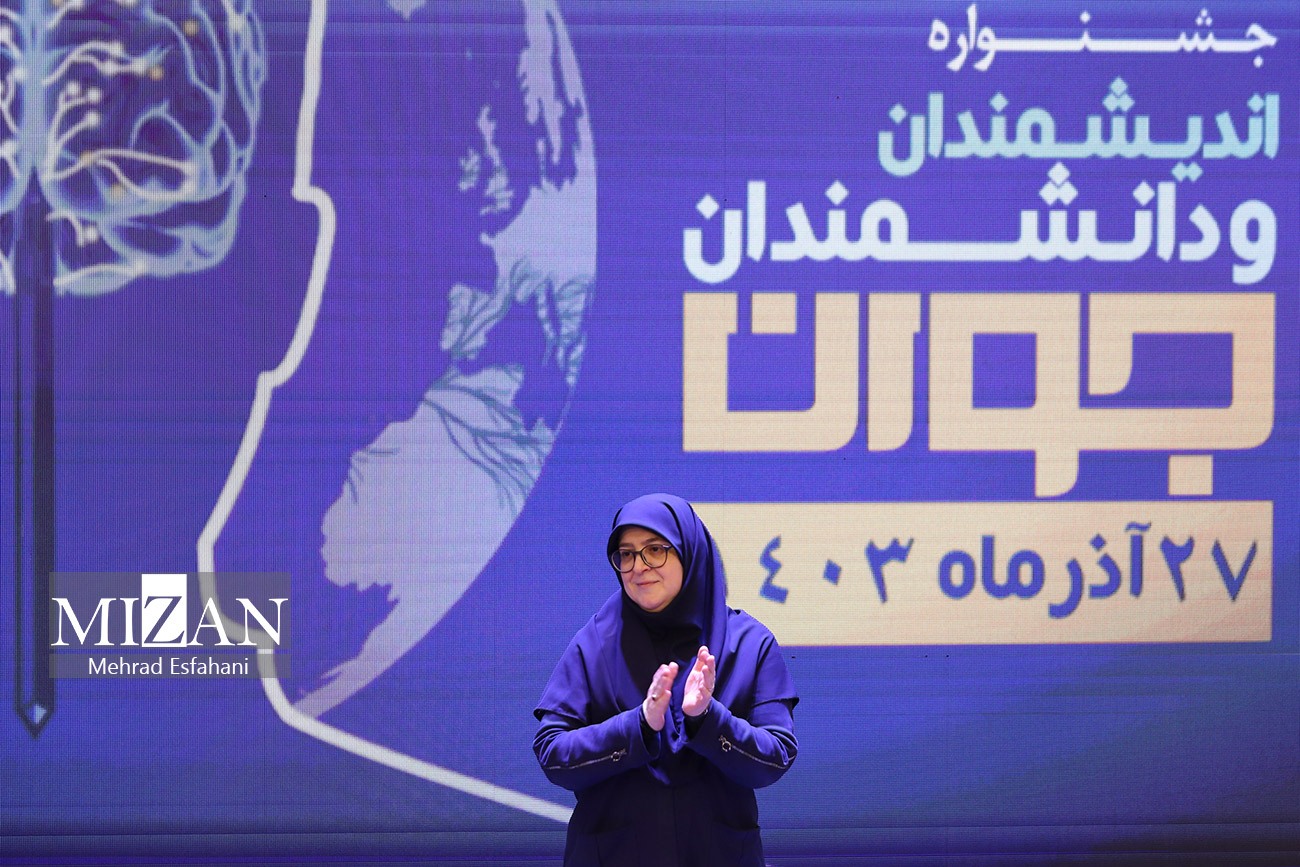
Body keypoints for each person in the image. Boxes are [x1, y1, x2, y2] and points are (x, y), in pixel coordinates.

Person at [534, 493, 798, 866]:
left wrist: (707, 719)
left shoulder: (751, 644)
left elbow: (775, 757)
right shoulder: (594, 643)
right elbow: (552, 752)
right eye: (626, 554)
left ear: (689, 552)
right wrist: (638, 726)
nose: (638, 567)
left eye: (655, 550)